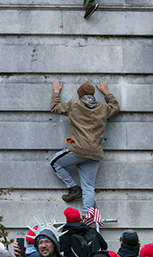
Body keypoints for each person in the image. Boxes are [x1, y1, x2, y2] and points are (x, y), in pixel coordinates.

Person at [50, 81, 120, 214]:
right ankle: (87, 217)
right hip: (95, 153)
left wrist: (56, 92)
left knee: (55, 163)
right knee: (88, 187)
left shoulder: (73, 105)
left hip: (78, 150)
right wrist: (106, 93)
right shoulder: (103, 108)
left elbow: (55, 107)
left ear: (79, 95)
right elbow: (115, 107)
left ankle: (73, 188)